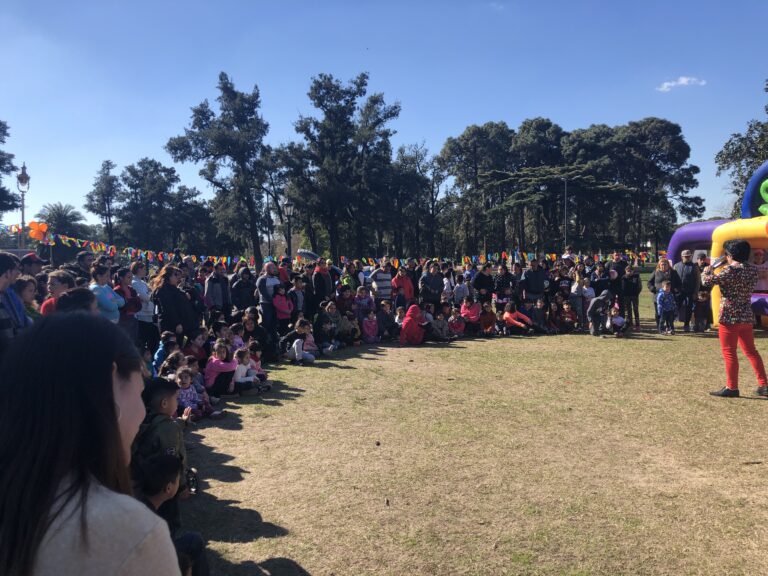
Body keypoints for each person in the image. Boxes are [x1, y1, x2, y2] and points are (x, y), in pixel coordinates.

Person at [0, 313, 180, 575]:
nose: (143, 413)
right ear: (110, 381)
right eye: (141, 393)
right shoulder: (128, 531)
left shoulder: (20, 500)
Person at [701, 239, 768, 397]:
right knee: (751, 351)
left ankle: (732, 387)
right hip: (746, 315)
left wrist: (707, 270)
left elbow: (706, 282)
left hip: (729, 316)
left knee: (729, 352)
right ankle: (763, 384)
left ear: (730, 255)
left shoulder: (729, 270)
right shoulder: (752, 270)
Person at [136, 455, 210, 576]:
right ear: (168, 488)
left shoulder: (138, 502)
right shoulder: (154, 524)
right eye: (178, 480)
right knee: (194, 541)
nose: (180, 483)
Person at [152, 266, 198, 339]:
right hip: (172, 326)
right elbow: (168, 308)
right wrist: (177, 323)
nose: (177, 277)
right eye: (175, 274)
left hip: (183, 324)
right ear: (168, 276)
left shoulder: (174, 289)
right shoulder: (163, 290)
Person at [674, 249, 701, 332]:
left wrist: (695, 292)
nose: (687, 258)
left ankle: (686, 325)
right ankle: (671, 324)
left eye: (689, 256)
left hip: (690, 292)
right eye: (686, 256)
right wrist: (674, 289)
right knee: (675, 307)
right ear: (682, 257)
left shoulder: (694, 267)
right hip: (678, 291)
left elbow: (698, 281)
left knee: (689, 309)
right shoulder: (676, 266)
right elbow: (673, 278)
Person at [647, 259, 681, 325]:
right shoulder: (656, 272)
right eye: (662, 264)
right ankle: (660, 327)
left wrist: (676, 289)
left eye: (665, 264)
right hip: (658, 296)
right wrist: (653, 289)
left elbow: (679, 283)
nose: (663, 266)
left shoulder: (673, 272)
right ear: (659, 265)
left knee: (669, 313)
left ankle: (669, 326)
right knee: (658, 313)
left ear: (668, 265)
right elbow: (649, 282)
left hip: (670, 297)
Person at [621, 264, 642, 331]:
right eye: (628, 271)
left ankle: (637, 325)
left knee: (636, 310)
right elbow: (622, 287)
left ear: (633, 271)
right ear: (625, 271)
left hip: (634, 296)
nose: (629, 272)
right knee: (628, 311)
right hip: (626, 296)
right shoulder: (623, 278)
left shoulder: (636, 277)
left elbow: (640, 286)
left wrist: (637, 293)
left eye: (630, 271)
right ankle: (630, 324)